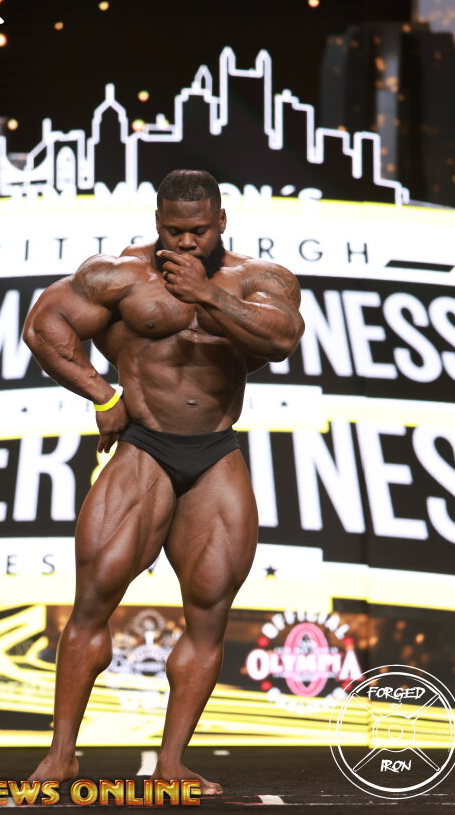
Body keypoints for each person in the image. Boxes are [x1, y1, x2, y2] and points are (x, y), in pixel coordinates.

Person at [23, 169, 304, 794]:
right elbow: (44, 325)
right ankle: (61, 756)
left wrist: (207, 295)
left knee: (209, 611)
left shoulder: (258, 279)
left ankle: (172, 763)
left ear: (221, 221)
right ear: (157, 223)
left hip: (215, 453)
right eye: (174, 230)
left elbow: (284, 337)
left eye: (198, 230)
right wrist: (102, 394)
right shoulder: (118, 275)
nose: (185, 241)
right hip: (145, 447)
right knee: (94, 600)